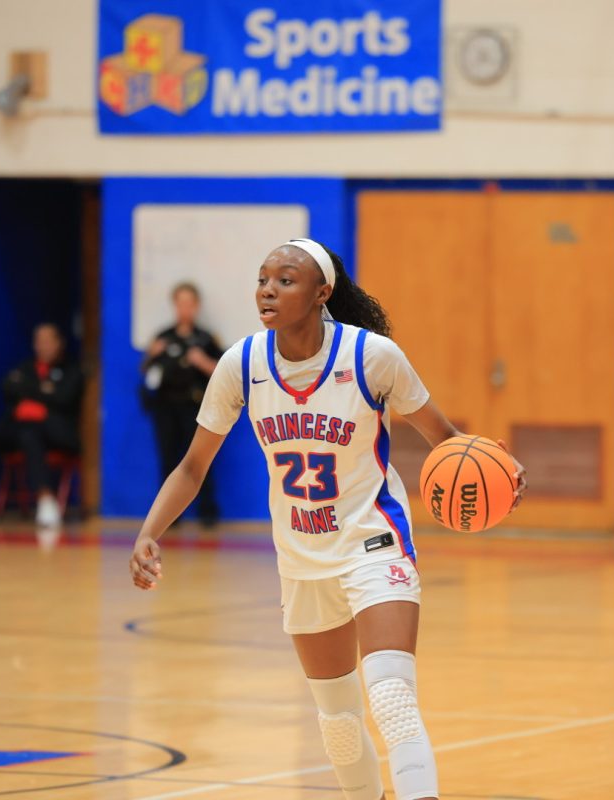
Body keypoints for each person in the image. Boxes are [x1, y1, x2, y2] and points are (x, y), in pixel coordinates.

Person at [130, 239, 527, 800]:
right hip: (301, 558)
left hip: (374, 541)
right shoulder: (241, 363)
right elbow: (193, 467)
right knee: (339, 723)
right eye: (263, 279)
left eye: (285, 280)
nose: (268, 289)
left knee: (390, 697)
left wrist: (501, 470)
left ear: (322, 293)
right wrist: (149, 532)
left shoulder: (372, 357)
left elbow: (447, 443)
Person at [0, 323, 82, 528]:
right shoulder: (26, 367)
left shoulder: (72, 370)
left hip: (58, 433)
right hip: (23, 429)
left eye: (48, 341)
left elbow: (63, 398)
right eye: (39, 341)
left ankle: (46, 499)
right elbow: (8, 387)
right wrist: (43, 392)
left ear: (59, 343)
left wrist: (30, 395)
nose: (43, 346)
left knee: (31, 435)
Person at [141, 282, 223, 527]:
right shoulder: (163, 337)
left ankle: (207, 513)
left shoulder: (205, 339)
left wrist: (201, 361)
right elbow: (146, 372)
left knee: (200, 460)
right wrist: (151, 354)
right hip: (165, 408)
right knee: (168, 459)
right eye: (180, 303)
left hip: (195, 408)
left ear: (196, 306)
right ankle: (169, 517)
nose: (185, 308)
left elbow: (222, 372)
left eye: (189, 303)